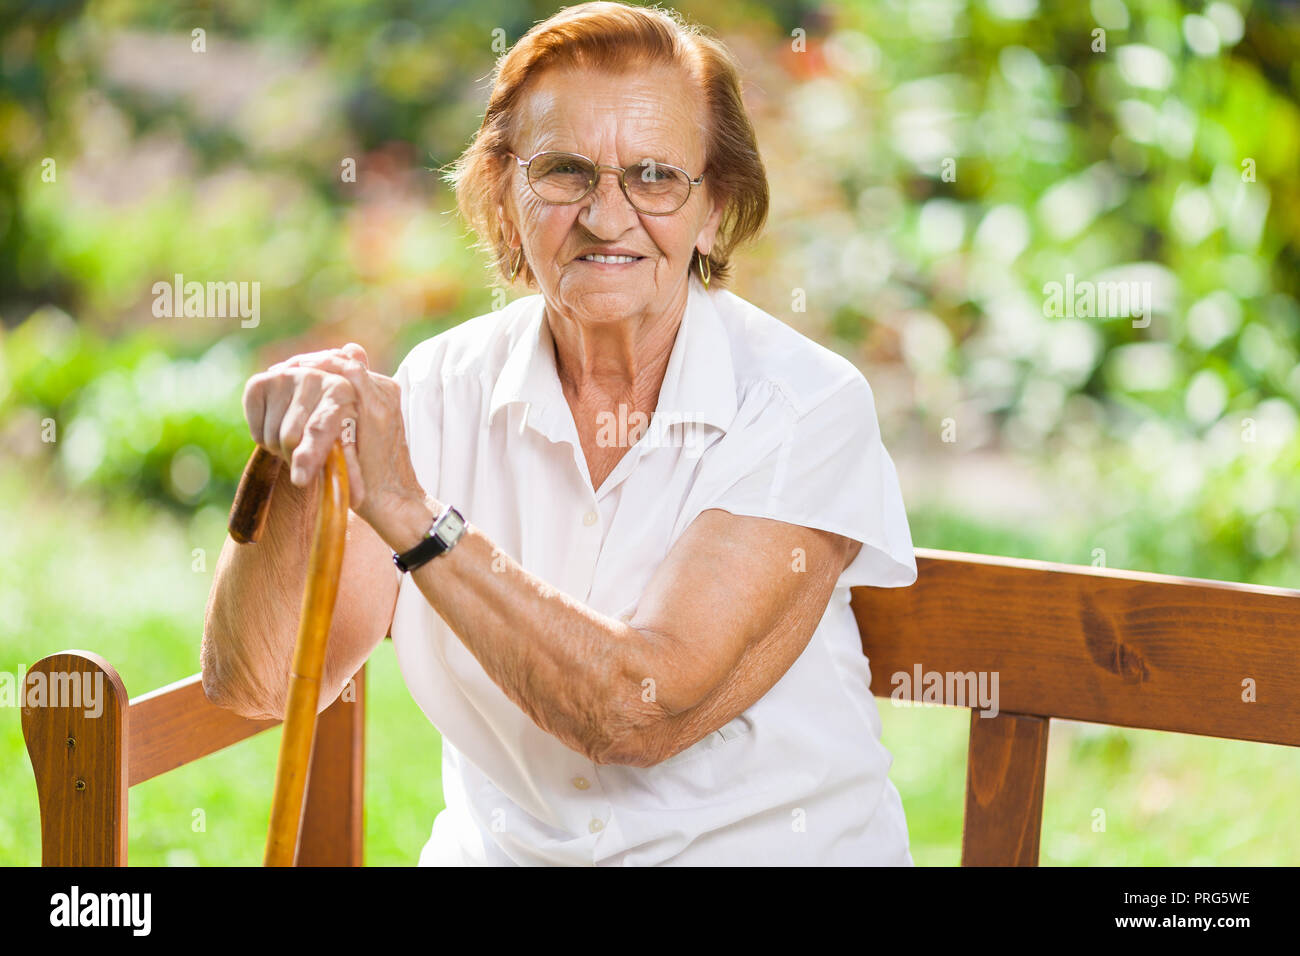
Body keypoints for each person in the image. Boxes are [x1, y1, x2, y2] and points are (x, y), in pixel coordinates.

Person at [202, 0, 918, 866]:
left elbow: (640, 711)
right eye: (566, 172)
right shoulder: (438, 387)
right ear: (504, 194)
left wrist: (414, 518)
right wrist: (296, 462)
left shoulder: (802, 405)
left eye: (655, 177)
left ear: (714, 206)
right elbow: (259, 682)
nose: (607, 217)